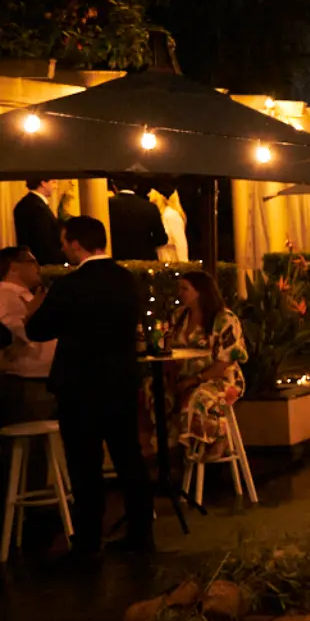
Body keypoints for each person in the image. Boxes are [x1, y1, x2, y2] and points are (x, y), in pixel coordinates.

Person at [24, 216, 153, 555]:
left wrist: (32, 310)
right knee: (129, 457)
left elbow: (38, 330)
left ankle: (88, 539)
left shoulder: (69, 285)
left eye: (64, 242)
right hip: (120, 381)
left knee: (84, 464)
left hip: (79, 385)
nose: (62, 248)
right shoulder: (127, 280)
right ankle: (141, 534)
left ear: (76, 245)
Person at [164, 271, 248, 464]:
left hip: (220, 378)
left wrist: (194, 380)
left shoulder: (224, 319)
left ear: (200, 292)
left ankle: (215, 438)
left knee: (197, 399)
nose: (180, 293)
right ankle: (167, 449)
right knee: (154, 391)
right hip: (185, 377)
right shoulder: (179, 316)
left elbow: (226, 361)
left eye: (185, 289)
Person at [0, 247, 55, 424]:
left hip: (42, 380)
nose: (38, 267)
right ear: (13, 266)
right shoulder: (6, 295)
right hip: (27, 383)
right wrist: (31, 317)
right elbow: (9, 338)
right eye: (32, 262)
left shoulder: (26, 295)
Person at [107, 180, 167, 262]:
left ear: (114, 186)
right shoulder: (149, 207)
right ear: (135, 186)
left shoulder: (107, 205)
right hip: (145, 260)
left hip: (117, 259)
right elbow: (161, 239)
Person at [12, 179, 62, 266]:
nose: (56, 187)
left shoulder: (26, 203)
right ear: (43, 183)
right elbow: (44, 241)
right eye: (54, 182)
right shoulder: (37, 207)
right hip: (43, 264)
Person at [152, 188, 190, 263]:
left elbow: (180, 243)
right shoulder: (163, 215)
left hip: (172, 261)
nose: (149, 194)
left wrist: (183, 264)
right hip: (164, 260)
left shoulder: (171, 215)